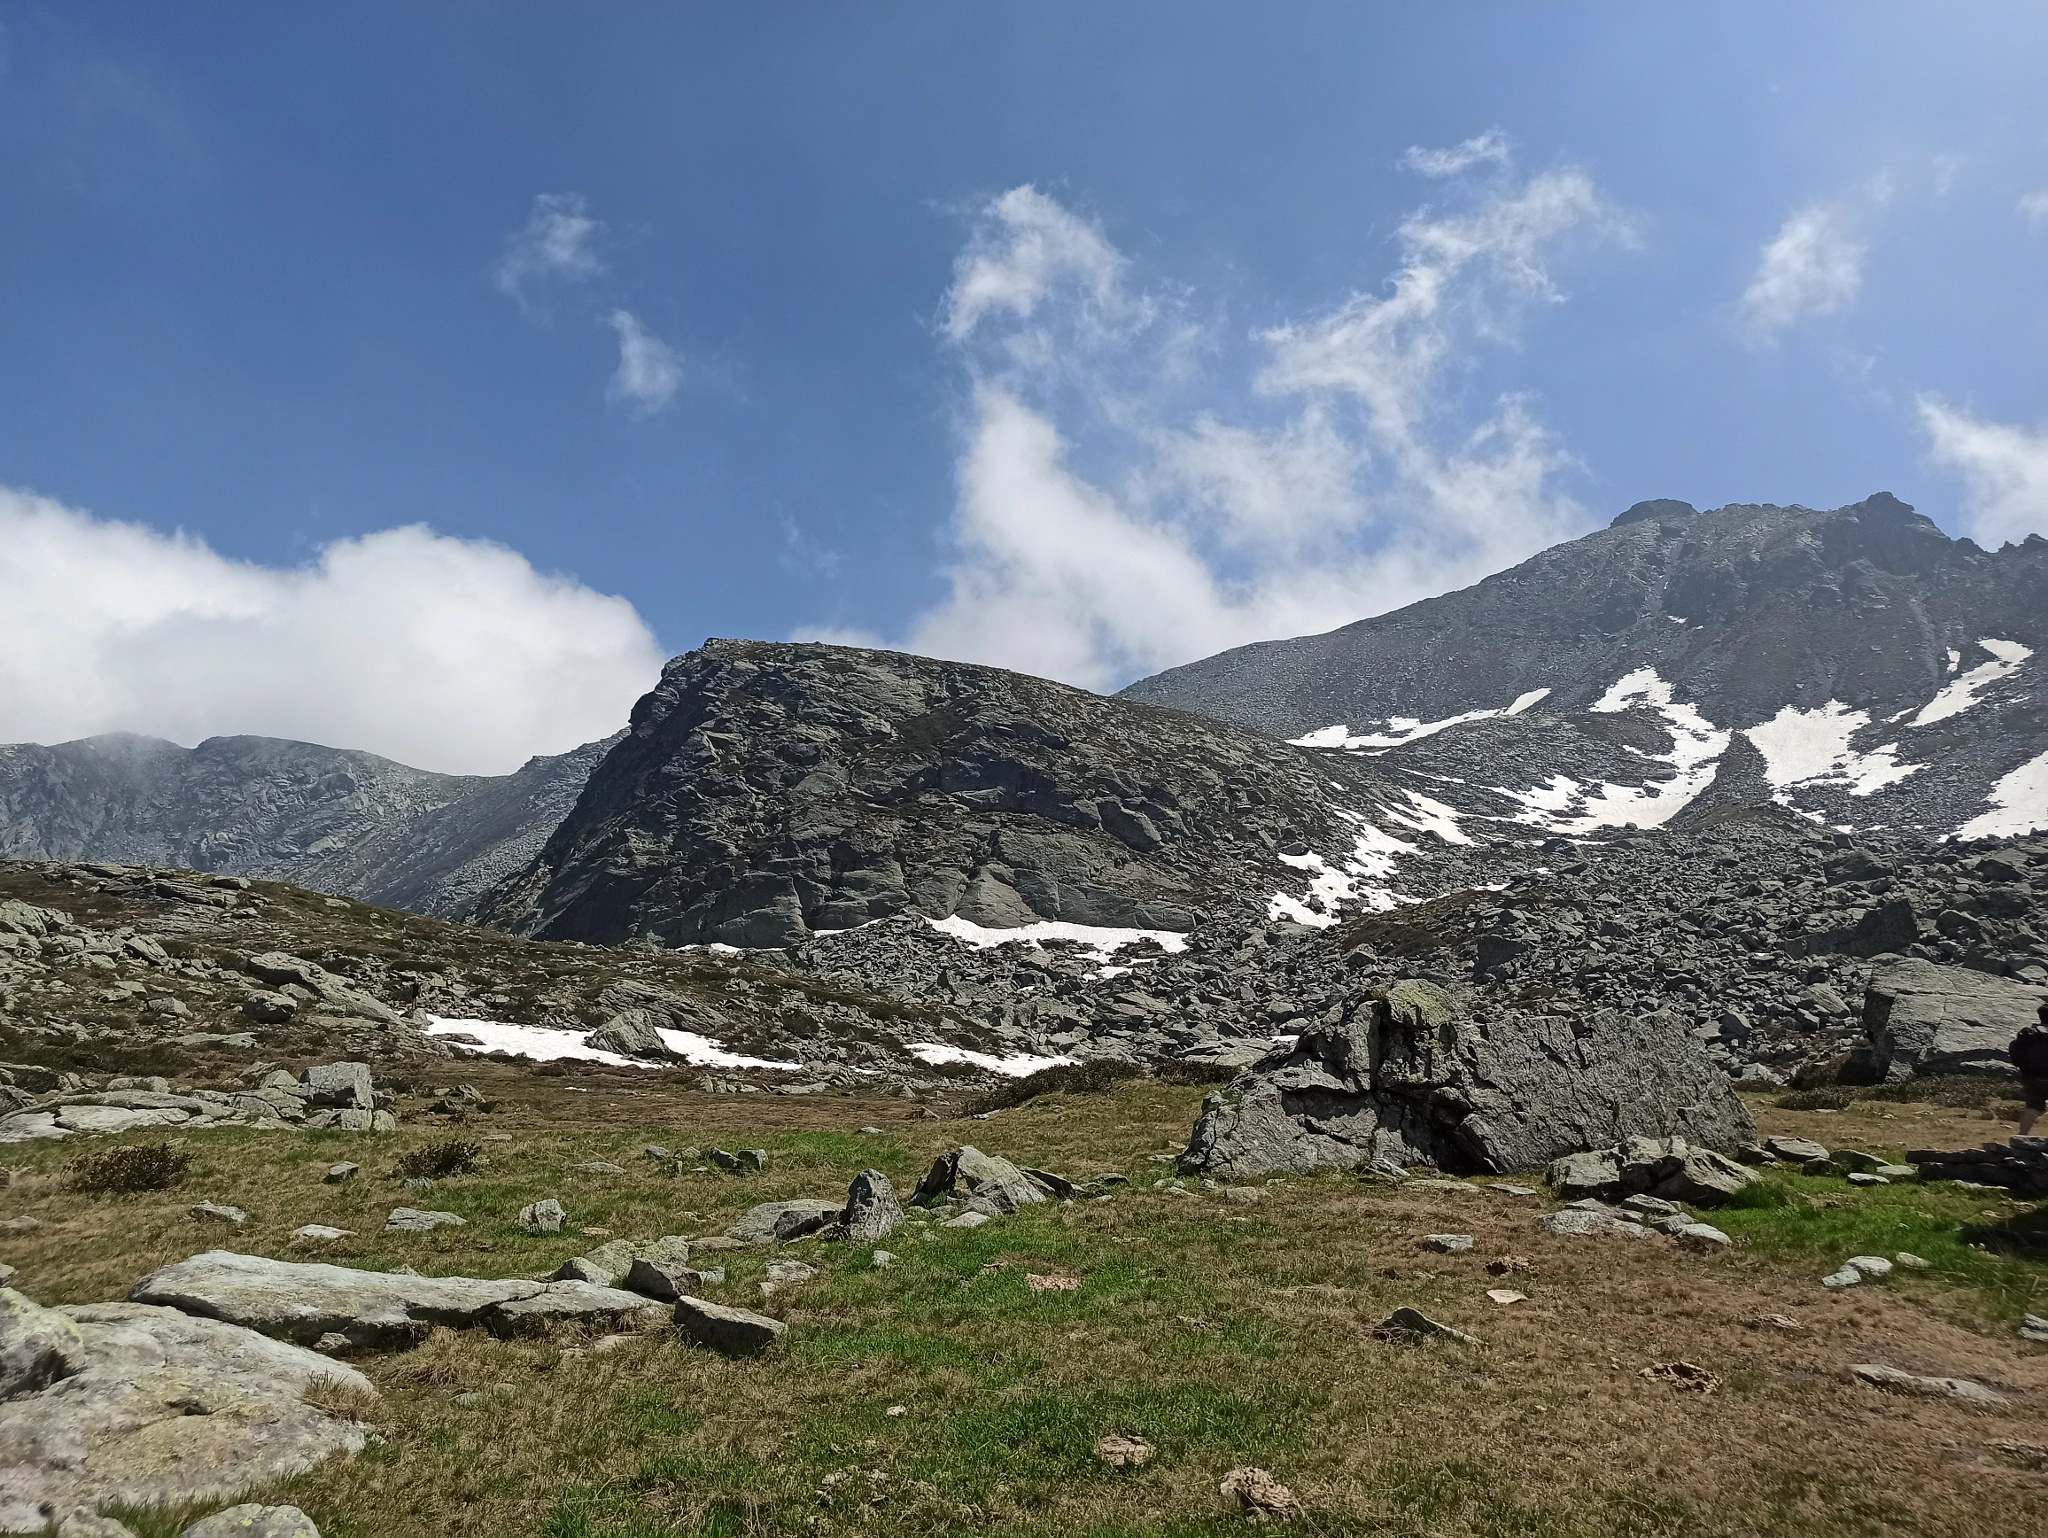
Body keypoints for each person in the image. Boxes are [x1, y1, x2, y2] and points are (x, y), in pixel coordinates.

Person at [2014, 1000, 2048, 1136]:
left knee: (2033, 1107)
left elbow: (2016, 1053)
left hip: (2032, 1077)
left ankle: (2021, 1136)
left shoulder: (2029, 1034)